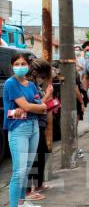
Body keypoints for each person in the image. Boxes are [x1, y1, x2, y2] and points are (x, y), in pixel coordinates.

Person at [3, 53, 48, 207]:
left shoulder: (31, 85)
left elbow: (41, 106)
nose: (20, 67)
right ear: (12, 66)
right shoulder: (11, 83)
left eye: (23, 64)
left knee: (28, 168)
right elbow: (30, 106)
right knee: (19, 171)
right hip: (18, 128)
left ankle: (22, 202)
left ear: (28, 66)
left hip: (33, 126)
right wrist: (36, 107)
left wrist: (36, 107)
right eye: (17, 64)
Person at [25, 59, 53, 202]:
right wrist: (47, 95)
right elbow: (34, 105)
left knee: (42, 153)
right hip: (31, 123)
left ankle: (38, 183)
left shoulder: (35, 84)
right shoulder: (28, 84)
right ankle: (29, 189)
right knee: (34, 157)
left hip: (39, 123)